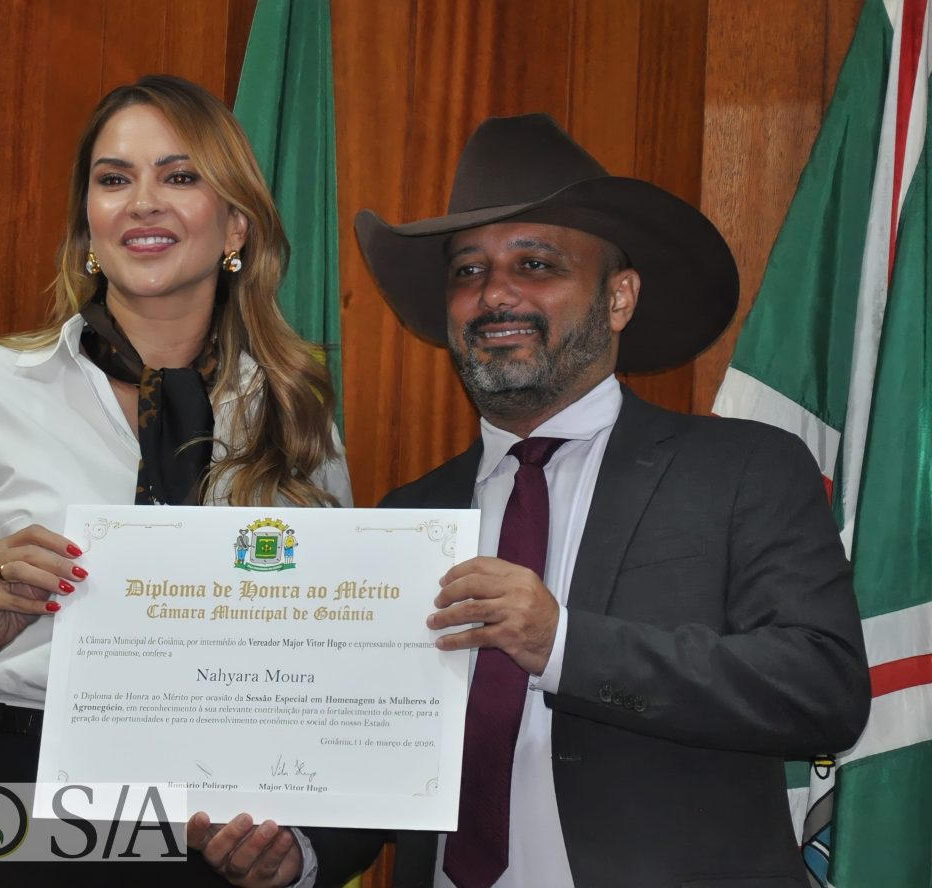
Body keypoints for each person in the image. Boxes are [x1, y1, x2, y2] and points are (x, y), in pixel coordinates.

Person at [0, 75, 377, 887]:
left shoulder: (295, 415)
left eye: (179, 176)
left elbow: (336, 663)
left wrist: (295, 841)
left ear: (235, 226)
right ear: (88, 225)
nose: (142, 202)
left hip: (208, 833)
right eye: (115, 179)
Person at [351, 114, 871, 887]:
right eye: (467, 271)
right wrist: (298, 854)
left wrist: (563, 645)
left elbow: (822, 691)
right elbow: (371, 753)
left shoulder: (742, 471)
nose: (494, 294)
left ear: (619, 297)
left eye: (535, 263)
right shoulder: (407, 515)